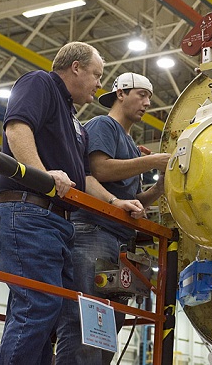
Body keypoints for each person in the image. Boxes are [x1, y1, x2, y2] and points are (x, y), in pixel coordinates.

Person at [0, 42, 144, 365]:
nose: (100, 84)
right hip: (28, 212)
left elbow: (84, 177)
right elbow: (17, 128)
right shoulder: (39, 83)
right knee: (40, 305)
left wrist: (117, 201)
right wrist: (44, 175)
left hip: (56, 223)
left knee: (47, 312)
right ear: (75, 67)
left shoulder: (75, 122)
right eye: (96, 74)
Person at [56, 72, 170, 364]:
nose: (147, 103)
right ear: (121, 93)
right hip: (94, 231)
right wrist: (153, 160)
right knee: (85, 325)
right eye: (141, 94)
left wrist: (158, 188)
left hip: (117, 240)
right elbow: (99, 171)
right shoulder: (103, 125)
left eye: (149, 97)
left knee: (106, 331)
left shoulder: (130, 145)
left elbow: (131, 201)